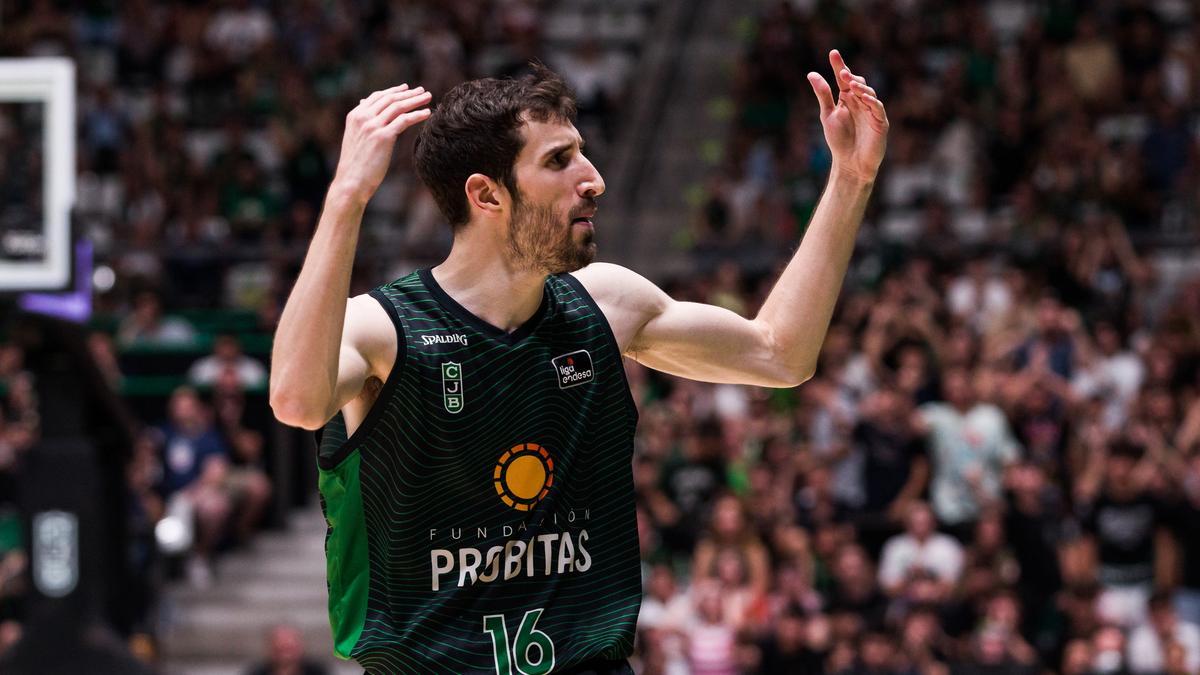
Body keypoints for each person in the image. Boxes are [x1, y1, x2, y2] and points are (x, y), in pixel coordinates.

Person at [269, 51, 888, 672]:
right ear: (487, 195)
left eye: (582, 152)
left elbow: (781, 355)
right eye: (559, 161)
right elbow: (296, 400)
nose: (593, 179)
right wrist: (347, 197)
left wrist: (851, 179)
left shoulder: (608, 302)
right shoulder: (384, 327)